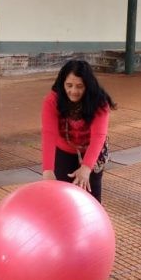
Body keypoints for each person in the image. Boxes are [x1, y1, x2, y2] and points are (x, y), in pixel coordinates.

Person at [41, 59, 116, 202]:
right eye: (69, 85)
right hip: (64, 148)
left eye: (79, 86)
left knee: (90, 193)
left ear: (88, 86)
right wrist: (48, 170)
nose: (73, 91)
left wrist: (86, 168)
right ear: (61, 84)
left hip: (91, 149)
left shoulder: (99, 102)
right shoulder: (52, 100)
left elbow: (98, 136)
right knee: (62, 195)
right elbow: (48, 135)